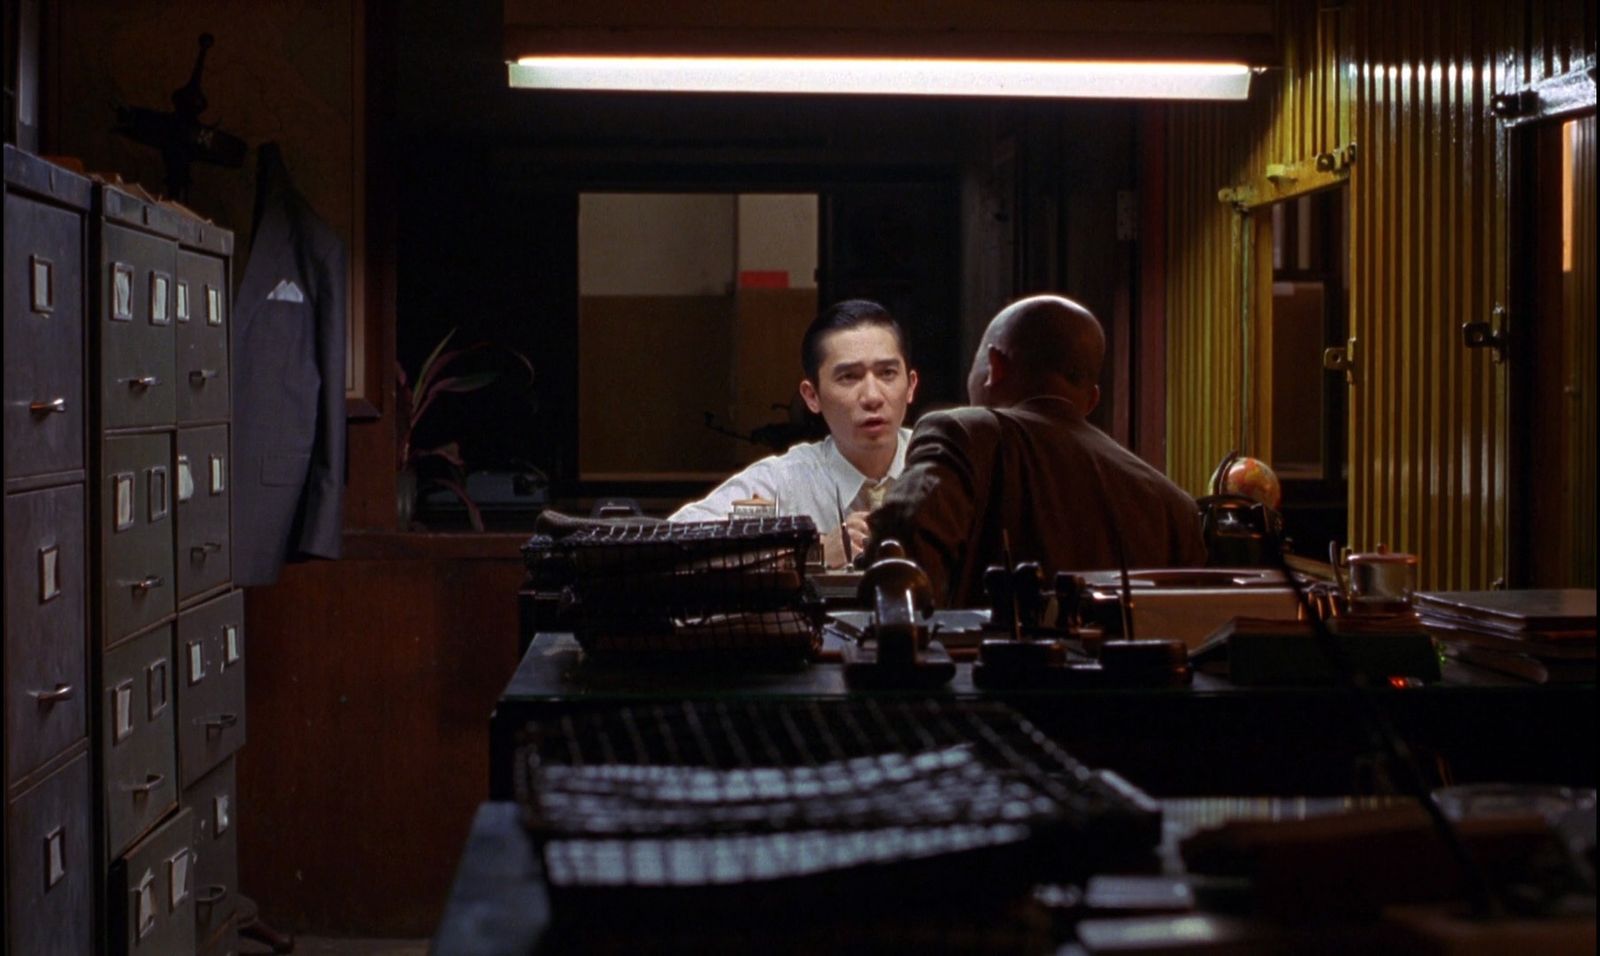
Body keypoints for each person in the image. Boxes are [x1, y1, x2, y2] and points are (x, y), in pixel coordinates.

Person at [870, 294, 1206, 606]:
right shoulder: (1174, 507)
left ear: (995, 365)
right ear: (1091, 400)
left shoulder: (963, 434)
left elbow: (898, 562)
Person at [671, 299, 919, 567]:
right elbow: (672, 543)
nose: (872, 396)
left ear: (910, 386)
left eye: (887, 373)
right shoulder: (786, 480)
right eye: (849, 377)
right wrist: (812, 551)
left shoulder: (945, 465)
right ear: (812, 397)